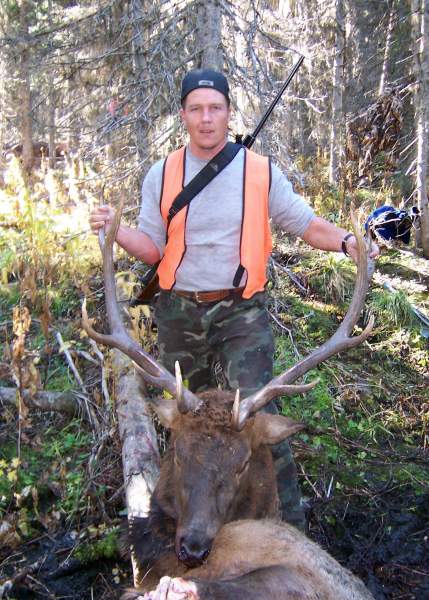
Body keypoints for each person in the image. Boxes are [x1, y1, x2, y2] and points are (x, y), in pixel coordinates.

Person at [90, 69, 379, 531]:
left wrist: (348, 241)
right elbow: (152, 246)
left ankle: (288, 531)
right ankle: (182, 525)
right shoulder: (162, 173)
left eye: (216, 108)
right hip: (179, 309)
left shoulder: (259, 171)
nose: (207, 119)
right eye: (197, 109)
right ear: (183, 115)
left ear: (228, 112)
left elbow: (305, 224)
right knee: (189, 429)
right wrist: (115, 230)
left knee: (259, 421)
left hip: (240, 311)